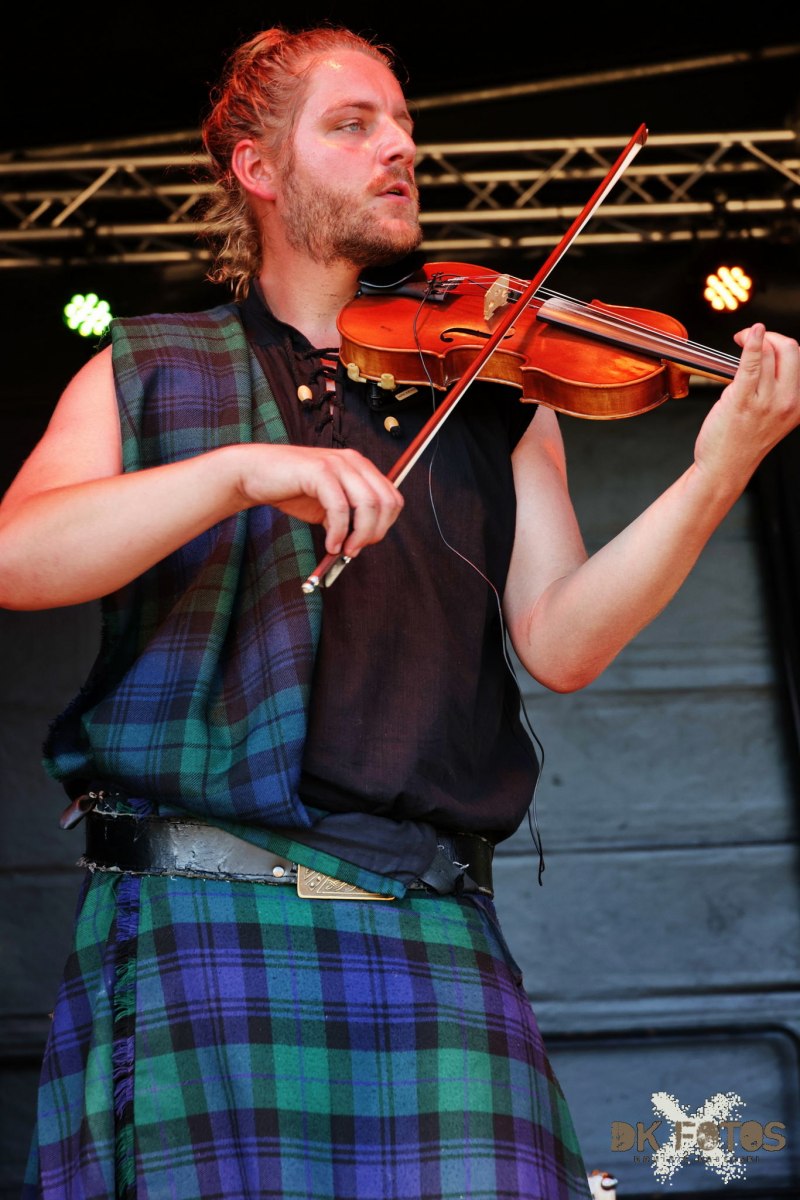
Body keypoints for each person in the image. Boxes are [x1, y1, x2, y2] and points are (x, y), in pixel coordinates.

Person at [2, 24, 799, 1200]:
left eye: (402, 125)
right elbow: (16, 555)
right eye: (353, 124)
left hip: (429, 919)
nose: (398, 149)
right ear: (257, 168)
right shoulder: (149, 367)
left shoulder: (495, 388)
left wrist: (715, 472)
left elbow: (562, 641)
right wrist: (238, 471)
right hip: (197, 916)